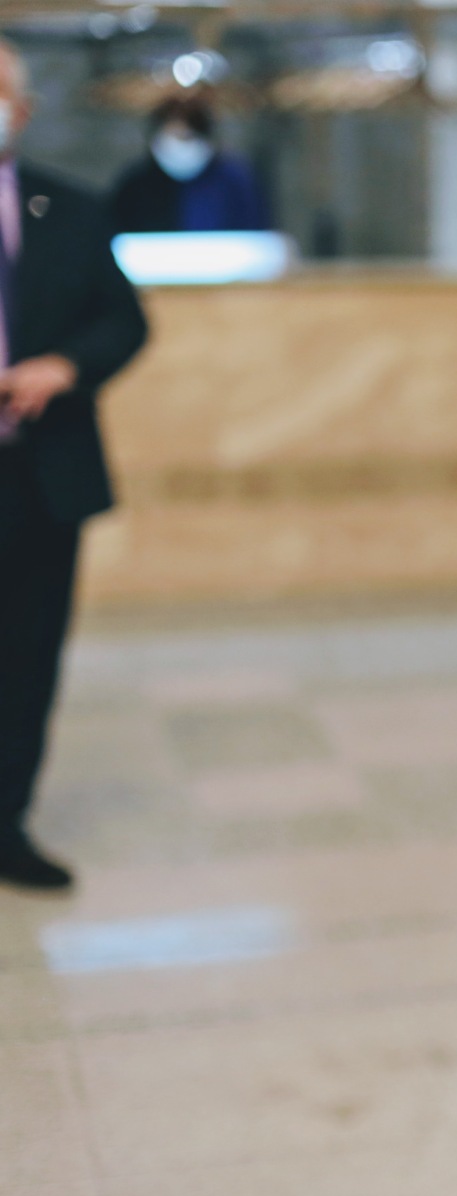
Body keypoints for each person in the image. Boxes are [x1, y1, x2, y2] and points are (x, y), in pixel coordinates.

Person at [0, 41, 149, 889]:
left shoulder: (74, 208)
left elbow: (124, 321)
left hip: (40, 476)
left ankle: (6, 822)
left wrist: (64, 365)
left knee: (25, 659)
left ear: (22, 111)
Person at [109, 92, 267, 234]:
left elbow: (255, 232)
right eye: (173, 136)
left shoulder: (234, 180)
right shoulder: (135, 184)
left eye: (187, 137)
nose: (179, 146)